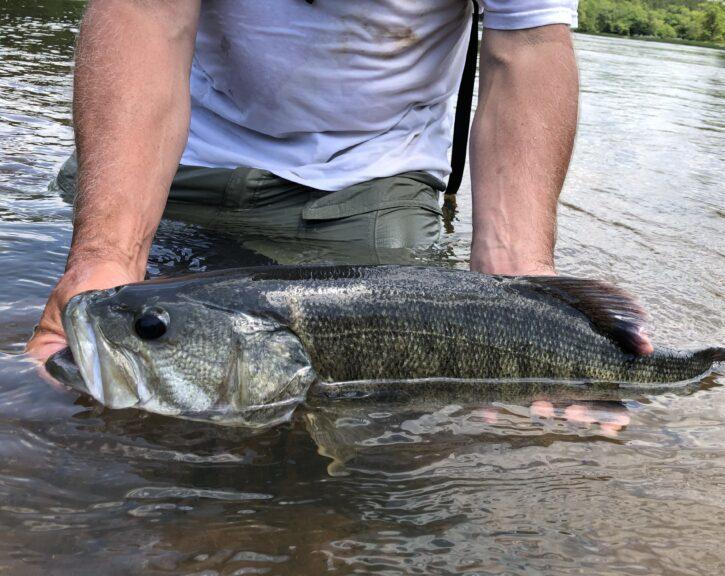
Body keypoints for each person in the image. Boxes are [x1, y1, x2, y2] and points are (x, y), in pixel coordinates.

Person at [25, 0, 652, 367]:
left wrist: (519, 283)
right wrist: (105, 253)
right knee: (87, 327)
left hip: (371, 179)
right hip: (166, 150)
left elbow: (528, 44)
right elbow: (144, 9)